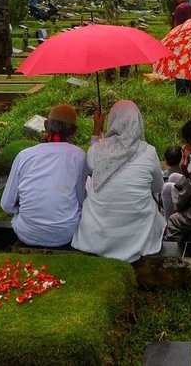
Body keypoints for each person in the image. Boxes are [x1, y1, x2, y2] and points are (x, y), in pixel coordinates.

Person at [72, 100, 165, 262]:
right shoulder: (149, 152)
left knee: (90, 182)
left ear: (112, 120)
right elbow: (158, 187)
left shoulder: (96, 150)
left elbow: (92, 162)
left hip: (96, 236)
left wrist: (97, 129)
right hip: (137, 235)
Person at [1, 104, 88, 247]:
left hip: (27, 233)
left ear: (46, 125)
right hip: (66, 233)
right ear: (74, 131)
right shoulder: (78, 156)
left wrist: (22, 209)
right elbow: (81, 200)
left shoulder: (25, 156)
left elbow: (6, 205)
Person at [171, 0, 191, 95]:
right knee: (188, 66)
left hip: (180, 41)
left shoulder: (179, 9)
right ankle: (189, 90)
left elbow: (177, 28)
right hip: (190, 40)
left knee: (180, 67)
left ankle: (181, 93)